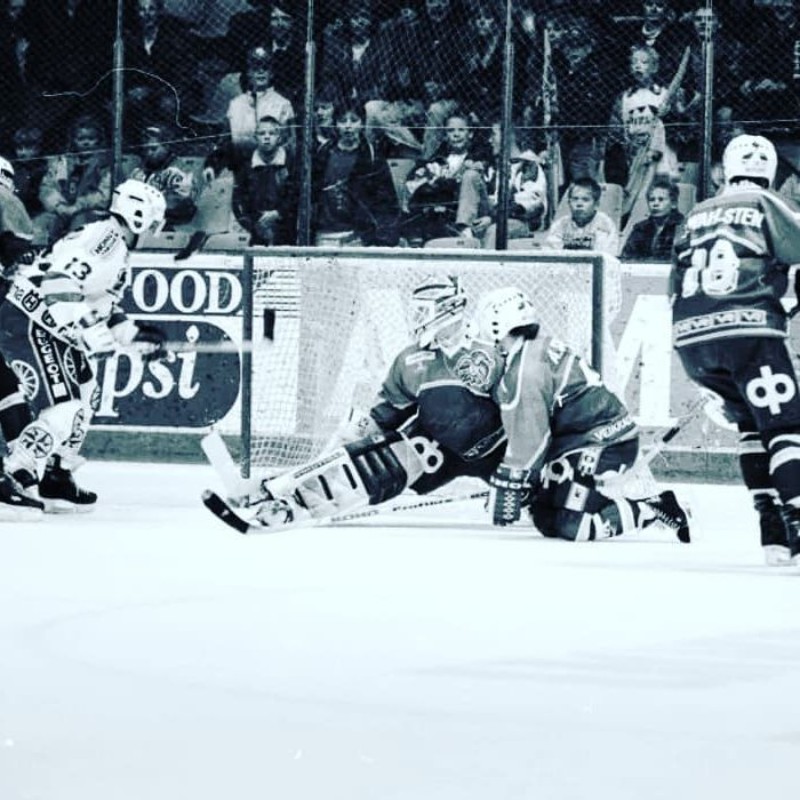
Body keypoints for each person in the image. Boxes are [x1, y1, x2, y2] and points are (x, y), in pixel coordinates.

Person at [211, 274, 506, 530]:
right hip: (435, 446)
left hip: (500, 451)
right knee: (378, 467)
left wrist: (518, 471)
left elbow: (521, 412)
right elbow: (385, 413)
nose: (416, 318)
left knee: (532, 508)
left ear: (448, 309)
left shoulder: (491, 353)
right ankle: (293, 506)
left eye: (423, 310)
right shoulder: (411, 360)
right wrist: (353, 433)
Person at [468, 286, 690, 542]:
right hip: (584, 442)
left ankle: (653, 507)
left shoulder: (525, 371)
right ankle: (587, 499)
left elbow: (531, 443)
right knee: (544, 516)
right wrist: (524, 482)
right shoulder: (534, 348)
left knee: (572, 525)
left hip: (603, 444)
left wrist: (512, 480)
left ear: (497, 324)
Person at [670, 133, 800, 565]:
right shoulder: (766, 202)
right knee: (786, 428)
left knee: (750, 426)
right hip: (750, 332)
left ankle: (772, 532)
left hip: (691, 341)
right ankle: (797, 519)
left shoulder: (695, 214)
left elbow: (675, 285)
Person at [0, 179, 168, 512]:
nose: (155, 231)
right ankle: (17, 472)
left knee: (87, 390)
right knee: (65, 410)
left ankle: (56, 475)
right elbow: (58, 281)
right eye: (153, 223)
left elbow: (101, 302)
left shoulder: (114, 244)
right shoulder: (106, 240)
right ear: (138, 217)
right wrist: (88, 326)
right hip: (31, 320)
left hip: (52, 325)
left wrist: (133, 334)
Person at [311, 102, 400, 247]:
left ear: (362, 124)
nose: (348, 126)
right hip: (325, 232)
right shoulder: (323, 153)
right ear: (335, 124)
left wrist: (381, 237)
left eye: (354, 120)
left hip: (357, 235)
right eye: (342, 121)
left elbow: (386, 200)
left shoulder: (372, 156)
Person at [36, 114, 111, 245]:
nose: (86, 143)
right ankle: (38, 252)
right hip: (62, 209)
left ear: (99, 140)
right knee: (41, 223)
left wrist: (78, 206)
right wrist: (59, 206)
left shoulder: (104, 164)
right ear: (73, 140)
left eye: (91, 138)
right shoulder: (62, 162)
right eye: (80, 139)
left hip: (90, 211)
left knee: (78, 224)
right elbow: (47, 187)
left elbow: (104, 194)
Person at [232, 115, 297, 246]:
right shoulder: (247, 167)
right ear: (255, 137)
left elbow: (296, 195)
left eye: (272, 133)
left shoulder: (290, 164)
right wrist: (255, 223)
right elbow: (239, 200)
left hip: (285, 231)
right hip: (255, 230)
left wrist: (278, 213)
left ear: (279, 138)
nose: (267, 137)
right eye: (262, 133)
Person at [127, 121, 199, 230]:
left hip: (171, 227)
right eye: (145, 149)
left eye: (153, 149)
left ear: (167, 146)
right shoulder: (138, 171)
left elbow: (178, 205)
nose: (148, 153)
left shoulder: (179, 171)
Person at [545, 177, 620, 255]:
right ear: (569, 203)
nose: (579, 204)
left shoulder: (605, 224)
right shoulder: (560, 225)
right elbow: (552, 253)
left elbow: (605, 255)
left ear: (596, 204)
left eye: (585, 200)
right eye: (575, 199)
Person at [620, 175, 684, 261]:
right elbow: (626, 257)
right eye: (652, 200)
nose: (655, 204)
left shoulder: (682, 227)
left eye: (661, 199)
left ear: (673, 204)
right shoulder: (640, 228)